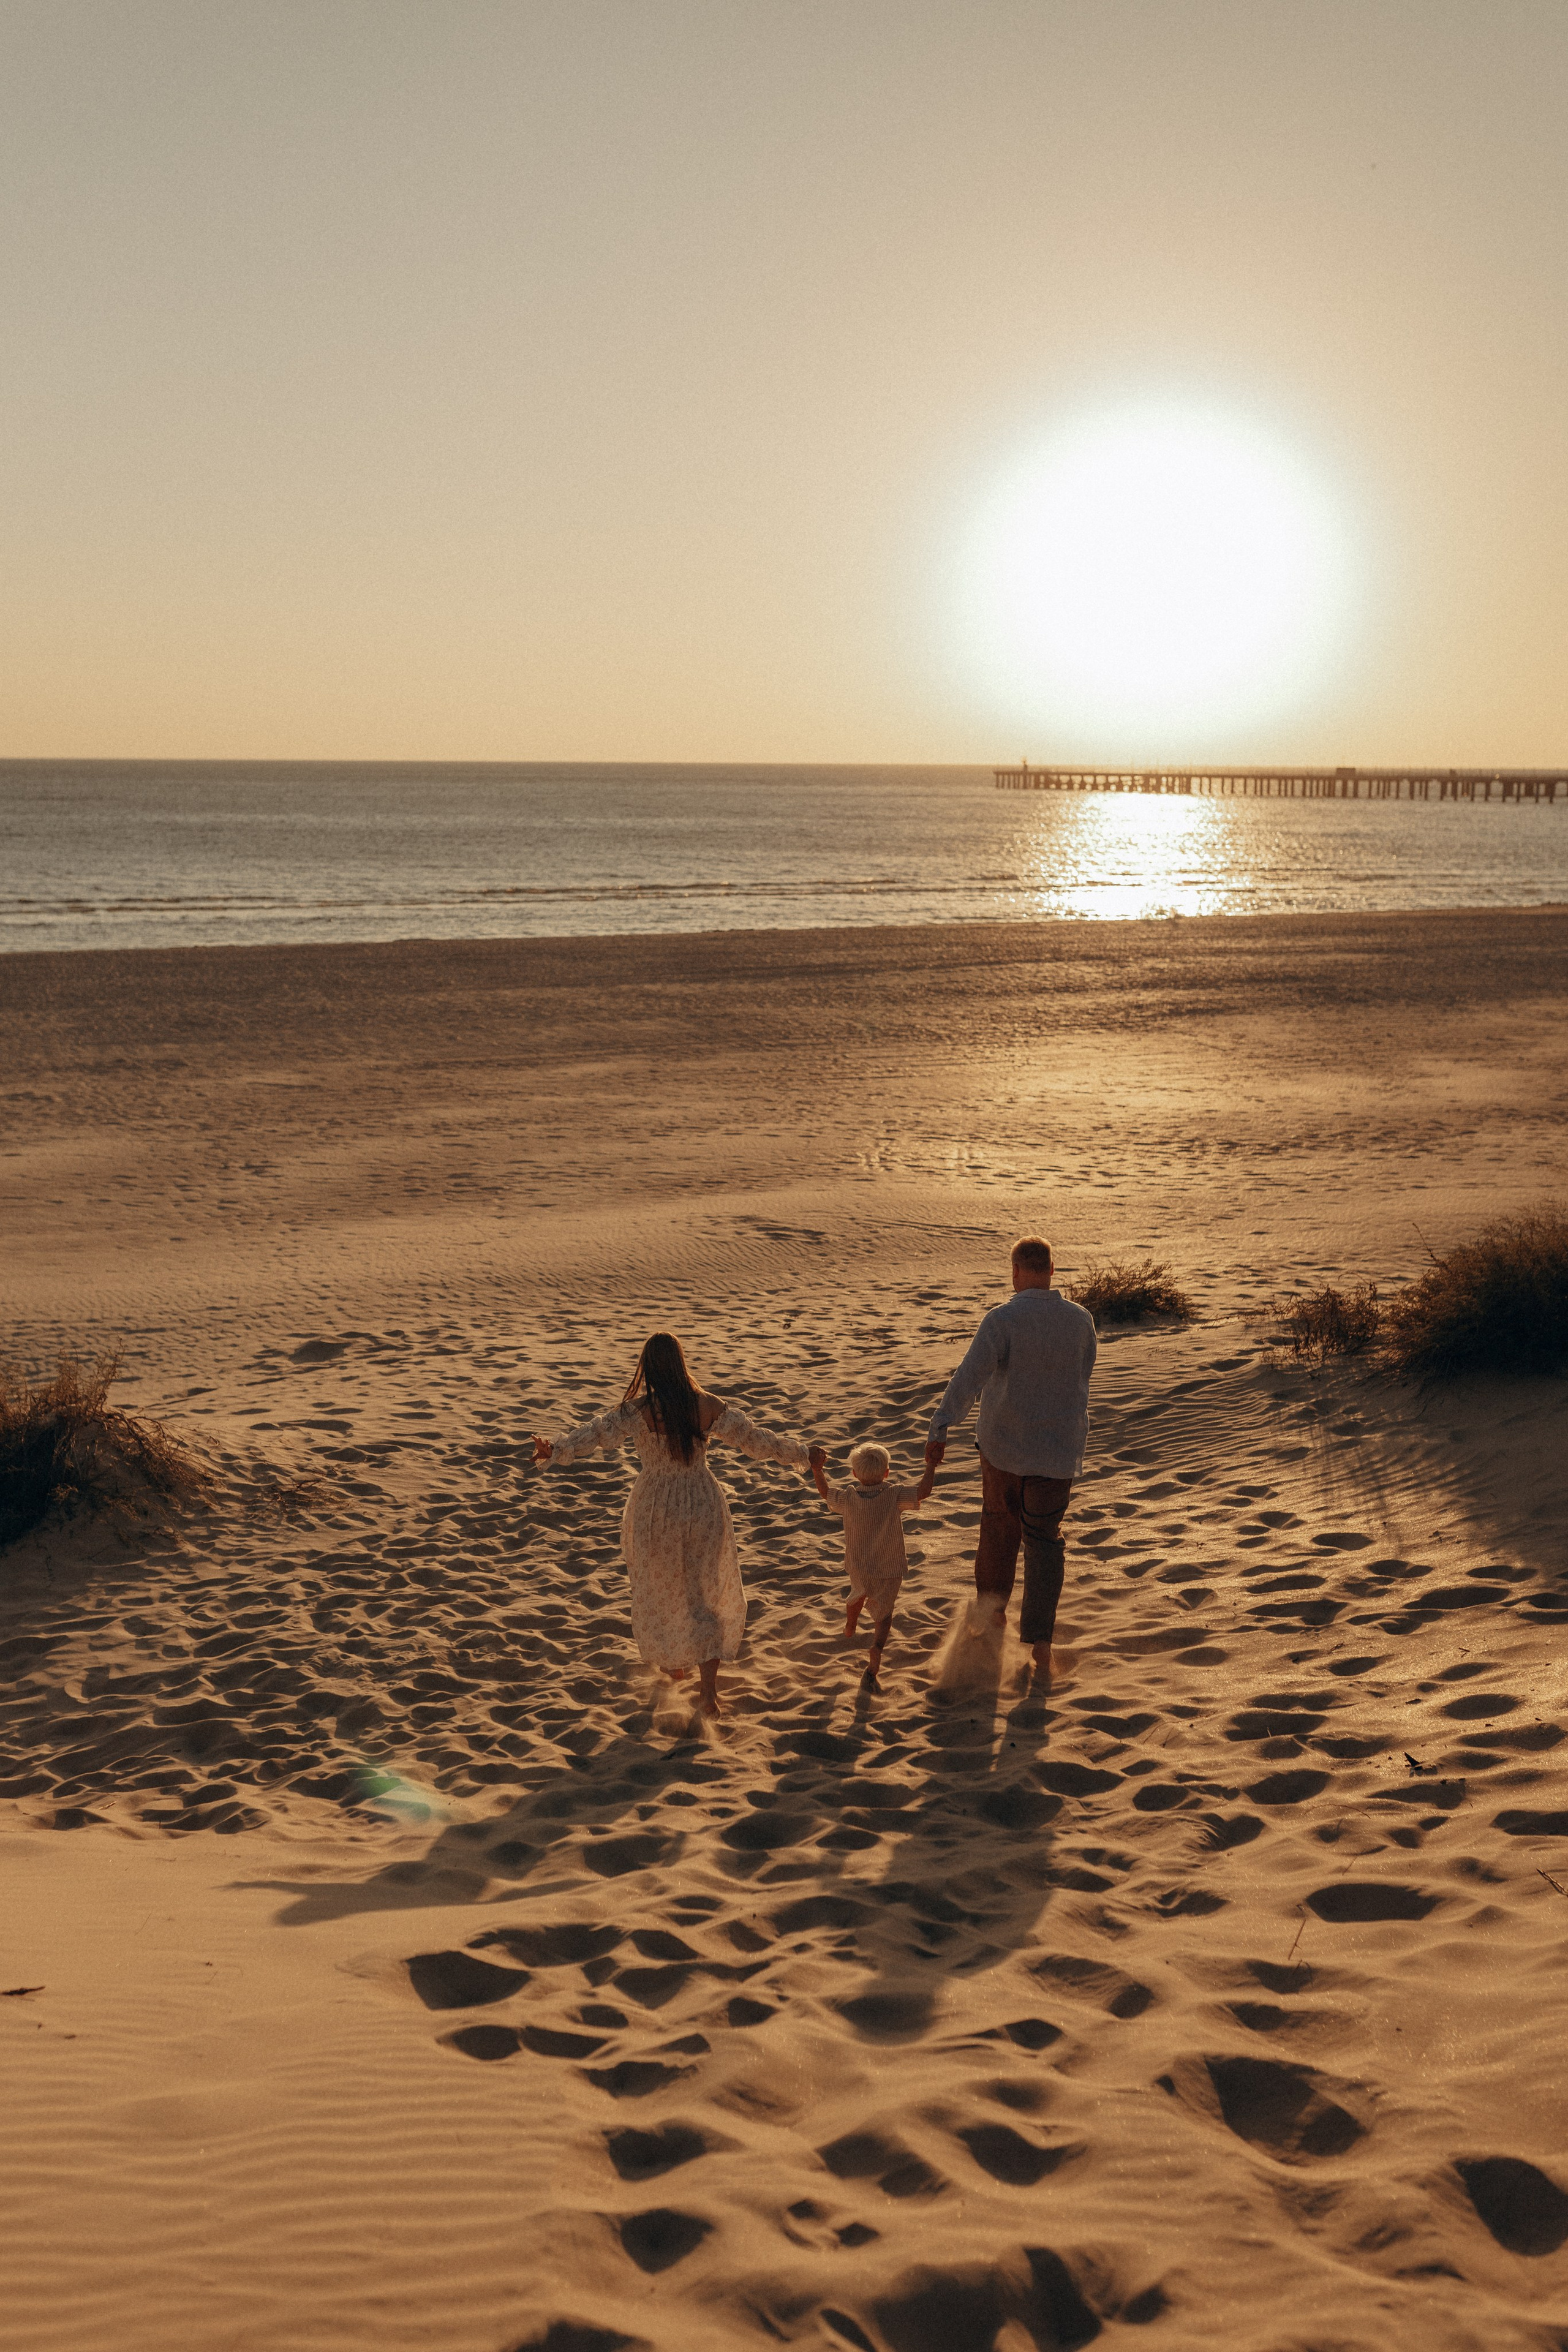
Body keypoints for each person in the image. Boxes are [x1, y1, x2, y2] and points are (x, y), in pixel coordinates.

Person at [532, 1332, 812, 1717]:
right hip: (700, 1502)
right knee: (705, 1593)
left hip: (655, 1509)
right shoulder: (708, 1405)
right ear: (681, 1362)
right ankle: (708, 1693)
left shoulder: (637, 1411)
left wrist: (556, 1450)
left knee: (662, 1586)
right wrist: (803, 1454)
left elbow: (595, 1435)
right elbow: (755, 1442)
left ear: (647, 1366)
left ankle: (676, 1664)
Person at [924, 1236, 1096, 1673]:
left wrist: (941, 1426)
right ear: (1053, 1270)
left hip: (1003, 1448)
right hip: (1056, 1453)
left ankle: (991, 1617)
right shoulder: (1081, 1321)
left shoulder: (1002, 1319)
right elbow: (1084, 1376)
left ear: (1016, 1272)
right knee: (1043, 1541)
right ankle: (1040, 1643)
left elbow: (970, 1376)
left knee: (999, 1529)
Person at [809, 1440, 937, 1679]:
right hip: (890, 1568)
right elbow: (923, 1492)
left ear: (855, 1474)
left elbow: (826, 1493)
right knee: (885, 1613)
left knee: (857, 1594)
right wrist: (930, 1466)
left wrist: (818, 1470)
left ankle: (850, 1625)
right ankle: (877, 1646)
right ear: (887, 1472)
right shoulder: (895, 1494)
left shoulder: (848, 1497)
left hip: (859, 1565)